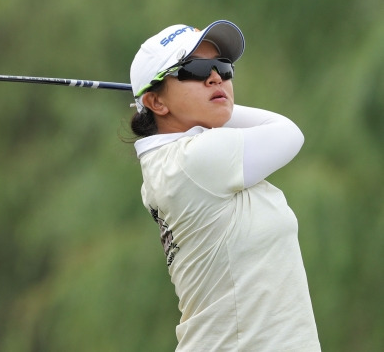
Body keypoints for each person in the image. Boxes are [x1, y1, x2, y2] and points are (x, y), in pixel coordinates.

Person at [129, 20, 321, 351]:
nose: (216, 77)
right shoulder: (195, 162)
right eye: (194, 70)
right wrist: (219, 105)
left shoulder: (172, 163)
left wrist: (204, 101)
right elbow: (289, 132)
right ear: (156, 103)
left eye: (222, 67)